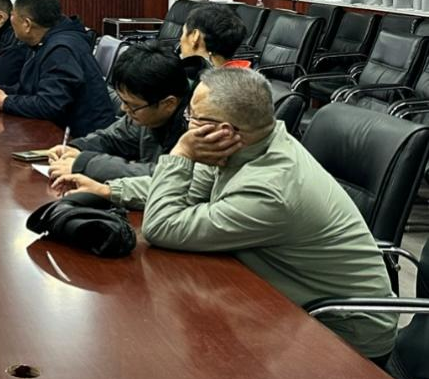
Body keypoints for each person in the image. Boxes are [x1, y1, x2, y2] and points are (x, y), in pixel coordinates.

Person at [53, 68, 398, 361]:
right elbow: (187, 189)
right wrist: (111, 190)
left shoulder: (270, 189)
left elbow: (162, 226)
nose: (187, 125)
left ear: (223, 130)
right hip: (279, 295)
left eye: (192, 118)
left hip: (341, 331)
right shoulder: (250, 142)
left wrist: (182, 151)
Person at [0, 0, 117, 135]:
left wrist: (4, 101)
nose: (9, 20)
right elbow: (31, 89)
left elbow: (50, 105)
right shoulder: (45, 42)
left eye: (12, 14)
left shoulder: (61, 50)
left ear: (27, 24)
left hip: (86, 139)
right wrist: (0, 92)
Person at [46, 43, 190, 182]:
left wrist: (87, 164)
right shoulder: (145, 114)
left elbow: (165, 175)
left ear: (168, 104)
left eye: (132, 105)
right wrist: (77, 148)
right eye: (123, 101)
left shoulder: (196, 127)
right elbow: (111, 139)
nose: (123, 108)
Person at [179, 2, 250, 70]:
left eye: (183, 33)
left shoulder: (187, 75)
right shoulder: (246, 75)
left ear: (195, 36)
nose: (180, 40)